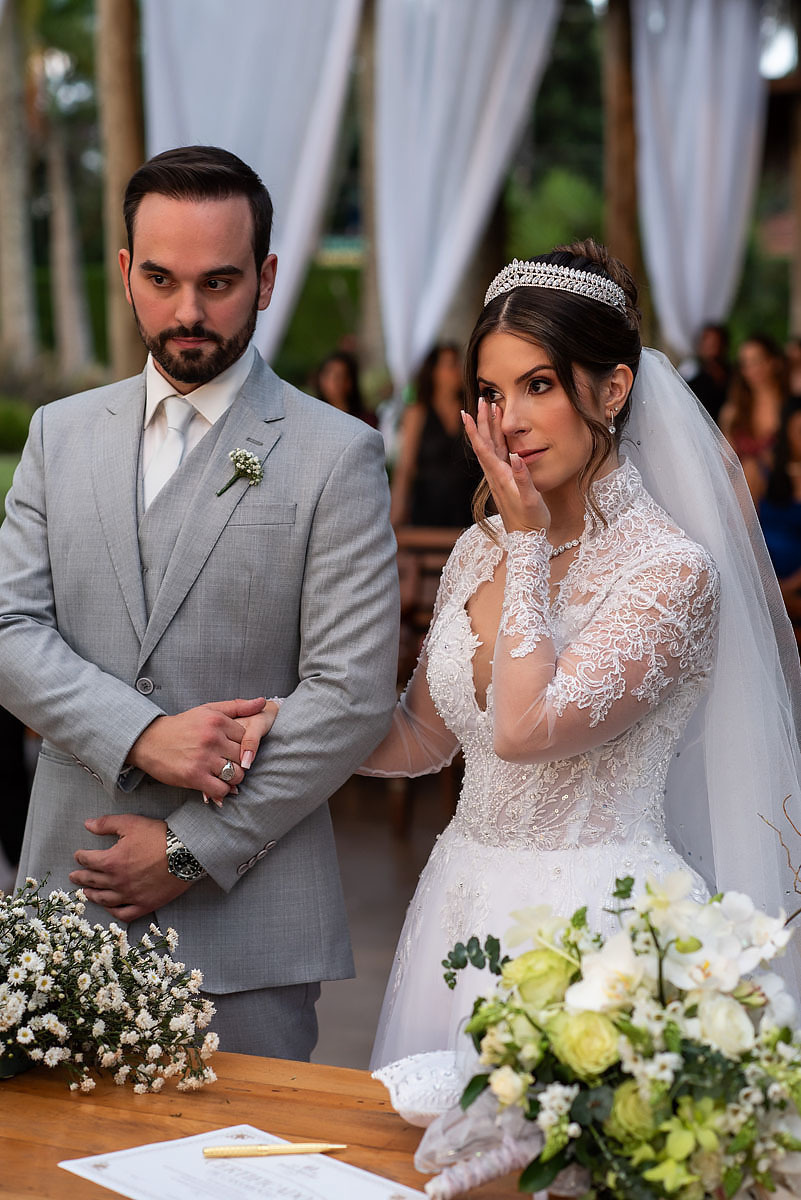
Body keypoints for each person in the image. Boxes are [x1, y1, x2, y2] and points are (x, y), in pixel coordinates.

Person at [246, 240, 801, 1067]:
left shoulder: (671, 571)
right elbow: (427, 740)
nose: (506, 420)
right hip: (458, 908)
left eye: (537, 385)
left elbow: (523, 726)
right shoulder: (479, 550)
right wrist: (288, 723)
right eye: (490, 392)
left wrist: (532, 546)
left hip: (602, 937)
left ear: (612, 389)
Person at [0, 146, 400, 1060]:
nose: (188, 311)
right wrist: (141, 735)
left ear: (264, 278)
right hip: (64, 907)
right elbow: (6, 627)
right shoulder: (58, 435)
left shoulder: (335, 455)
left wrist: (187, 852)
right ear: (125, 274)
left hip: (250, 922)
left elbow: (349, 695)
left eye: (218, 282)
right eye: (162, 278)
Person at [389, 342, 481, 529]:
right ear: (434, 372)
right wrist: (394, 518)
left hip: (468, 512)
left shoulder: (473, 411)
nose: (458, 369)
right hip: (428, 511)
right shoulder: (417, 412)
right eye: (451, 364)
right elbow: (406, 467)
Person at [719, 333, 788, 501]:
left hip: (783, 489)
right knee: (749, 468)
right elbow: (724, 462)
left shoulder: (789, 406)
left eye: (756, 361)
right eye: (745, 364)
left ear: (774, 362)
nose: (751, 369)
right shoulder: (733, 411)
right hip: (742, 493)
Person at [758, 398, 801, 642]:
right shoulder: (762, 468)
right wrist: (770, 586)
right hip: (763, 579)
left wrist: (789, 587)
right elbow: (743, 531)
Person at [315, 349, 376, 426]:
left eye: (339, 377)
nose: (333, 382)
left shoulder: (366, 421)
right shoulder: (315, 419)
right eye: (328, 375)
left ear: (350, 382)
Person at [686, 321, 731, 423]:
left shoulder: (738, 378)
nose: (713, 350)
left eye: (716, 343)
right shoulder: (692, 386)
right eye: (708, 345)